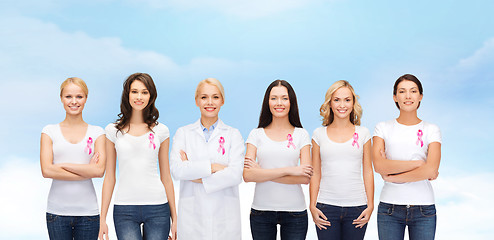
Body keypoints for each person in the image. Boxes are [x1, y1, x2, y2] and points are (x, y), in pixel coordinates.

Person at [98, 73, 177, 240]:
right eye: (134, 91)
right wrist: (102, 218)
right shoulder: (112, 131)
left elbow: (166, 176)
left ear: (151, 96)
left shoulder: (161, 131)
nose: (139, 97)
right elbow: (110, 177)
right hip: (124, 209)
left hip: (158, 207)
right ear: (127, 95)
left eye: (145, 92)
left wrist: (175, 218)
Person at [170, 78, 244, 240]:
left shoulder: (233, 134)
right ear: (196, 101)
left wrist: (194, 172)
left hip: (224, 220)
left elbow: (236, 174)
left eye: (215, 97)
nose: (209, 102)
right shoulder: (183, 133)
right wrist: (214, 167)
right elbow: (177, 170)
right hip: (192, 220)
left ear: (222, 101)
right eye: (204, 97)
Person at [373, 74, 441, 240]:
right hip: (389, 208)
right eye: (402, 91)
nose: (408, 96)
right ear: (395, 97)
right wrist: (418, 164)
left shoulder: (431, 129)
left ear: (420, 96)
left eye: (413, 91)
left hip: (423, 209)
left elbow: (431, 169)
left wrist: (392, 177)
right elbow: (379, 166)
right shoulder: (382, 128)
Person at [243, 80, 312, 240]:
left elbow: (304, 178)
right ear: (267, 102)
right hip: (261, 212)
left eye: (284, 98)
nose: (279, 103)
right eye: (274, 98)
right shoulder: (256, 134)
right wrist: (290, 170)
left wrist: (261, 172)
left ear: (291, 102)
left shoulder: (301, 134)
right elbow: (247, 176)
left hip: (295, 212)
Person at [40, 77, 106, 240]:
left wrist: (62, 166)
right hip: (57, 213)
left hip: (89, 214)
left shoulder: (97, 132)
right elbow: (46, 170)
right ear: (61, 98)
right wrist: (86, 170)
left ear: (86, 98)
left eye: (79, 96)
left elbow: (99, 171)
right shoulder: (49, 131)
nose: (74, 101)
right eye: (68, 96)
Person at [309, 80, 374, 240]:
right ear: (329, 103)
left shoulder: (364, 133)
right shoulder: (318, 134)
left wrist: (370, 205)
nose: (342, 105)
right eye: (336, 100)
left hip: (357, 207)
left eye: (347, 100)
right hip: (325, 207)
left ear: (353, 103)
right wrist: (312, 205)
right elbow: (315, 173)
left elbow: (367, 171)